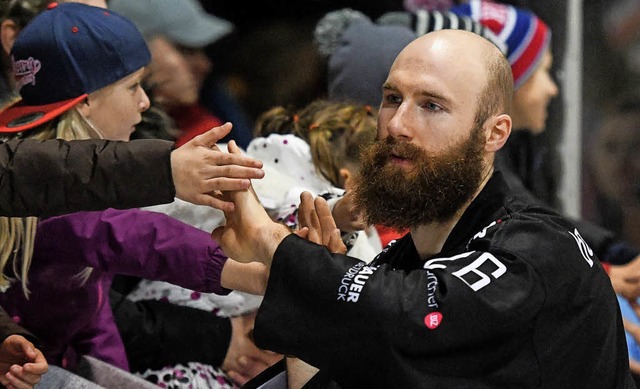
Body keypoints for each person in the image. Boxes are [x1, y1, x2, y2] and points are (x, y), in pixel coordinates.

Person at [214, 29, 635, 388]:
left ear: (493, 134)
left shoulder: (540, 244)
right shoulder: (397, 263)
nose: (397, 124)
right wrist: (323, 305)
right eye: (392, 98)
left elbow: (421, 315)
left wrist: (272, 241)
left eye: (431, 105)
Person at [0, 3, 275, 385]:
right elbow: (138, 237)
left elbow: (94, 320)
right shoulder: (59, 204)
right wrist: (250, 275)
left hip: (57, 354)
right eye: (132, 87)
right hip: (27, 366)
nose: (145, 103)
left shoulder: (47, 171)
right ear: (87, 102)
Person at [248, 99, 382, 262]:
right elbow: (296, 209)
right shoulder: (281, 189)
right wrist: (337, 214)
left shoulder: (259, 166)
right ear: (350, 183)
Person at [108, 0, 254, 149]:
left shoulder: (209, 124)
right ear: (135, 51)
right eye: (185, 50)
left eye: (201, 51)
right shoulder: (99, 140)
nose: (204, 66)